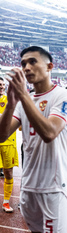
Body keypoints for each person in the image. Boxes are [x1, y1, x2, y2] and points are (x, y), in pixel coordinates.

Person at [0, 46, 67, 233]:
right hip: (30, 184)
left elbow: (50, 132)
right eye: (23, 63)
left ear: (50, 66)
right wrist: (10, 104)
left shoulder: (64, 96)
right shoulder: (22, 101)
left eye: (33, 62)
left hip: (55, 185)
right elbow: (1, 135)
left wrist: (23, 96)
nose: (26, 67)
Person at [0, 77, 19, 212]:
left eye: (2, 84)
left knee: (8, 172)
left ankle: (6, 202)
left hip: (8, 142)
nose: (1, 86)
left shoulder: (10, 100)